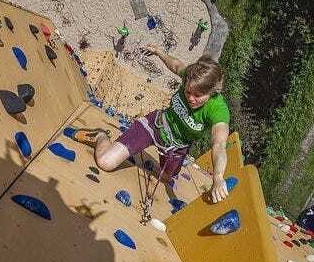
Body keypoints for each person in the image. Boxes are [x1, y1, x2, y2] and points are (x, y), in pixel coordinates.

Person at [81, 52, 231, 203]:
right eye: (188, 91)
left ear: (212, 92)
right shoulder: (190, 76)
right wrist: (158, 51)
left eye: (197, 95)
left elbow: (219, 145)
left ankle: (166, 164)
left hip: (176, 147)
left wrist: (217, 177)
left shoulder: (218, 110)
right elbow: (175, 64)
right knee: (105, 162)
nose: (191, 98)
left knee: (166, 178)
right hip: (155, 126)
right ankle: (101, 136)